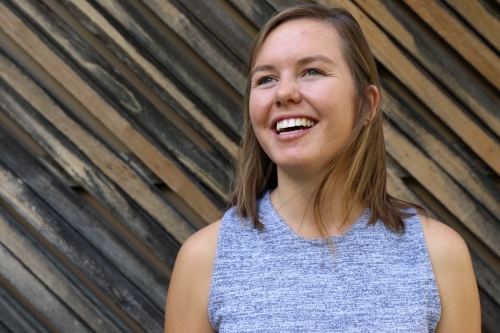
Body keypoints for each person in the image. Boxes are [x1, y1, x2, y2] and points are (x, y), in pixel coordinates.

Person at [164, 2, 480, 332]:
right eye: (266, 78)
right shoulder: (205, 260)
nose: (284, 92)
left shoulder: (440, 256)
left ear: (367, 103)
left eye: (312, 71)